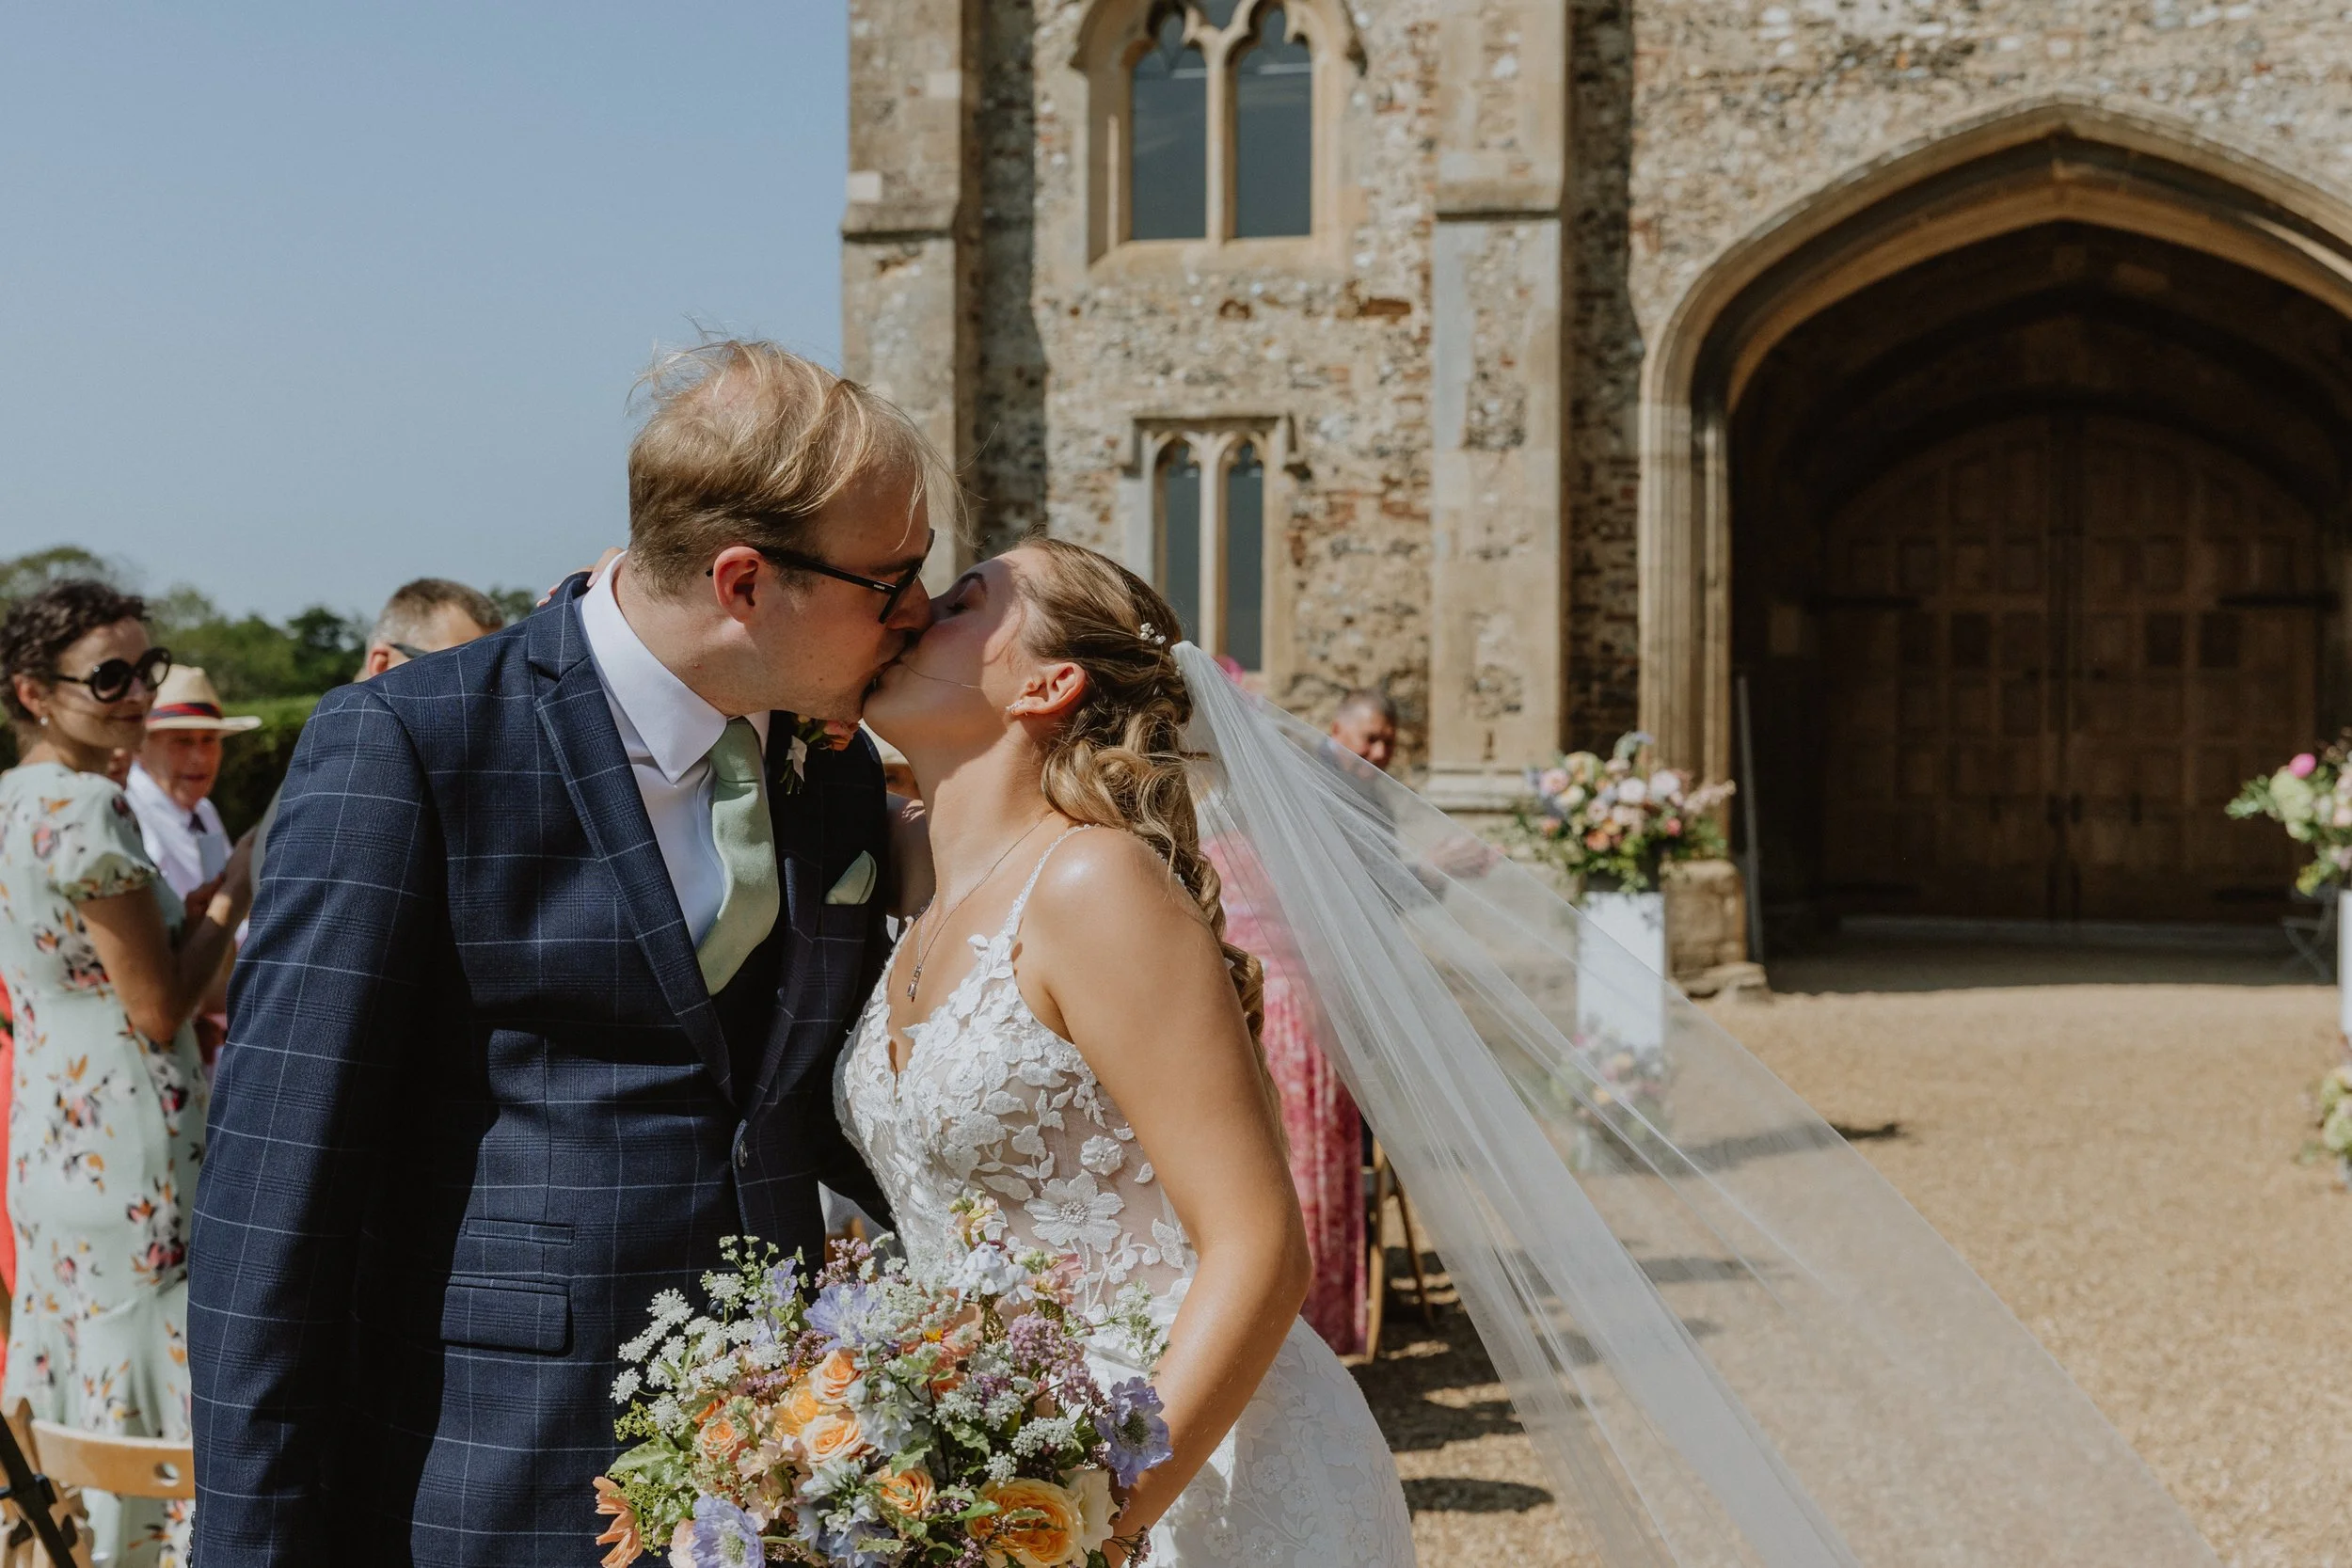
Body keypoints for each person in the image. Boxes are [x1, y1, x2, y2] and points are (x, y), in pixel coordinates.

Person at [186, 341, 939, 1567]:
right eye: (892, 579)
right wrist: (253, 1542)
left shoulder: (836, 771)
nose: (918, 610)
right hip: (491, 1468)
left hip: (782, 1467)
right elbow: (278, 1180)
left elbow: (802, 1100)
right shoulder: (415, 745)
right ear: (745, 582)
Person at [845, 539, 1416, 1562]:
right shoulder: (914, 878)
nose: (913, 610)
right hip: (978, 1465)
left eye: (964, 601)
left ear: (1047, 683)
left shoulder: (1092, 883)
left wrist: (1091, 1520)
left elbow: (1260, 1244)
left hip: (1171, 1467)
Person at [0, 580, 254, 1568]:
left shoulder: (12, 799)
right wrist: (237, 890)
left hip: (47, 1130)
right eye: (108, 676)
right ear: (34, 691)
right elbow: (158, 1006)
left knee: (73, 1351)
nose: (137, 693)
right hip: (132, 1133)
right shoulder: (89, 803)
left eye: (145, 668)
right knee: (151, 1354)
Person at [246, 578, 503, 884]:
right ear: (382, 665)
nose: (482, 698)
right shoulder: (358, 780)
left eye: (495, 679)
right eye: (455, 673)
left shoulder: (324, 767)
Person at [125, 666, 260, 899]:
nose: (200, 758)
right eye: (182, 742)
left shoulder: (203, 811)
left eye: (209, 740)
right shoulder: (128, 814)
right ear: (139, 747)